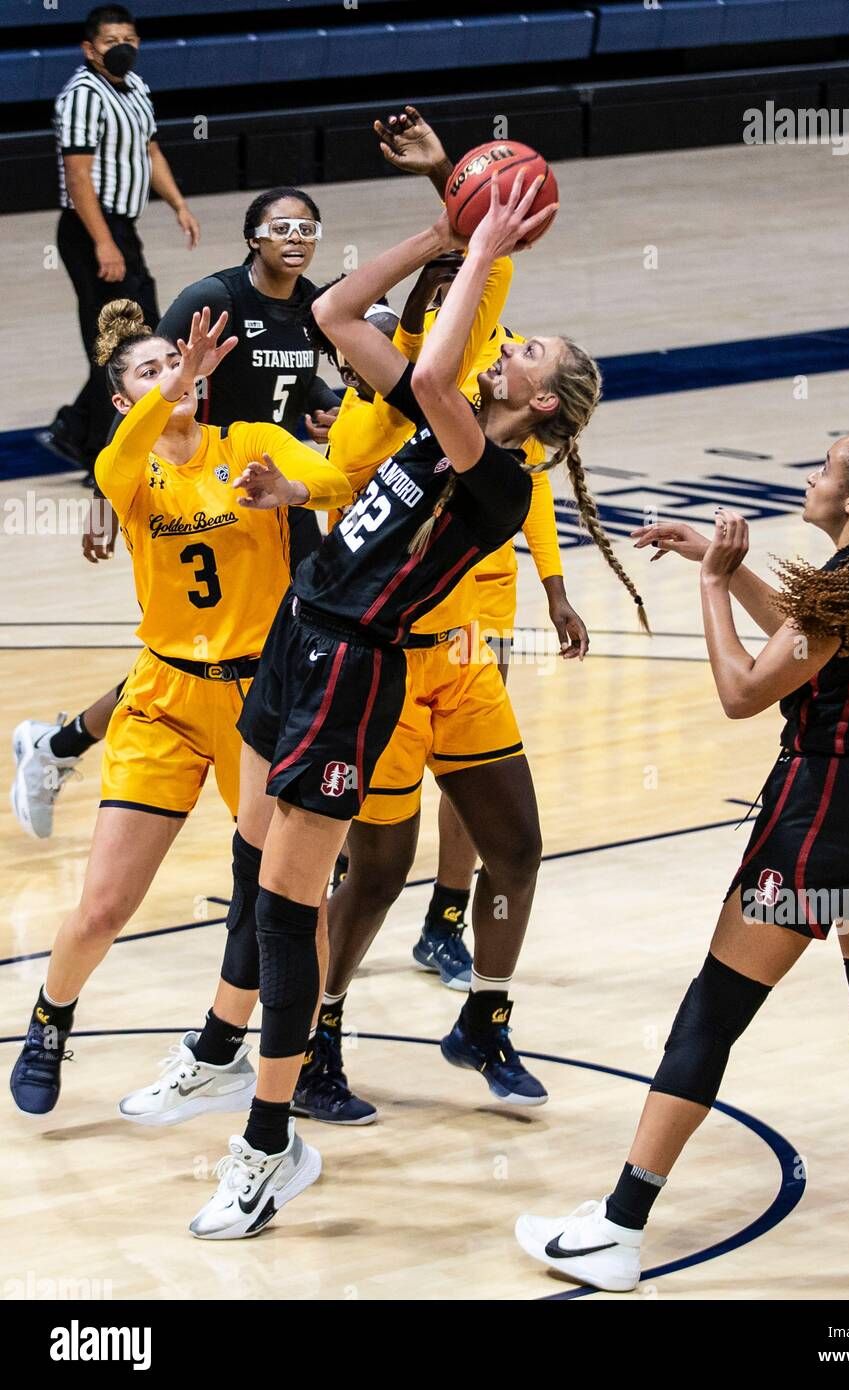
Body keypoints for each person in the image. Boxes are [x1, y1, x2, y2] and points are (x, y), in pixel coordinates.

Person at [185, 173, 619, 1240]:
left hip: (354, 671)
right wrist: (439, 229)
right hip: (299, 632)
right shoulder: (454, 415)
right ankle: (217, 1057)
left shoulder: (495, 473)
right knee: (254, 873)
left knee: (292, 908)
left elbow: (428, 366)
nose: (507, 347)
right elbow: (334, 313)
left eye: (529, 351)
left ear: (545, 400)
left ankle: (267, 1141)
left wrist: (481, 250)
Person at [513, 431, 849, 1291]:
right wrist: (728, 564)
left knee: (714, 1007)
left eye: (824, 469)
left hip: (823, 816)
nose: (809, 477)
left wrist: (708, 584)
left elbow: (744, 690)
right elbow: (810, 642)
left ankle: (618, 1231)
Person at [9, 301, 352, 1118]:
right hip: (162, 697)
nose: (173, 375)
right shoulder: (124, 469)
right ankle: (50, 1019)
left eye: (178, 362)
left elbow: (342, 478)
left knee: (289, 898)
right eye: (151, 371)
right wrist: (174, 391)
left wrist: (292, 488)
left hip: (257, 702)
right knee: (104, 906)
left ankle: (300, 1051)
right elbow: (116, 458)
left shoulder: (249, 444)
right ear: (125, 401)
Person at [11, 188, 340, 841]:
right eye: (280, 227)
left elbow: (295, 383)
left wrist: (321, 403)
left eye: (306, 226)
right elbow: (147, 385)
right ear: (252, 237)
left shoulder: (314, 309)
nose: (295, 237)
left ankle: (64, 744)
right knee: (201, 652)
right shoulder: (211, 300)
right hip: (202, 484)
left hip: (274, 484)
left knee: (271, 646)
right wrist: (115, 498)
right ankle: (65, 745)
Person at [370, 106, 585, 989]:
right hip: (389, 590)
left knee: (470, 771)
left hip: (475, 603)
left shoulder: (506, 383)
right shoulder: (452, 362)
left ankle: (445, 916)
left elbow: (529, 493)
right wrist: (444, 178)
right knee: (382, 773)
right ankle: (343, 875)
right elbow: (471, 245)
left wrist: (555, 583)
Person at [41, 5, 199, 476]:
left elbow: (151, 151)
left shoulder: (137, 89)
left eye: (129, 37)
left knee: (138, 334)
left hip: (122, 229)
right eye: (111, 40)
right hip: (91, 229)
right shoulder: (82, 96)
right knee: (117, 345)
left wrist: (178, 204)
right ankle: (95, 447)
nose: (123, 46)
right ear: (90, 49)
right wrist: (103, 243)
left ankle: (76, 430)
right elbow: (78, 175)